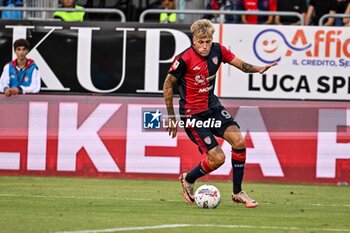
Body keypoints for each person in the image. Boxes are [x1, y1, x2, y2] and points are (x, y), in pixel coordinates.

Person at [163, 19, 277, 208]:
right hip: (193, 115)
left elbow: (241, 65)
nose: (205, 46)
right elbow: (167, 85)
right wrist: (171, 117)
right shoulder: (183, 59)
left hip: (213, 108)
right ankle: (188, 179)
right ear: (194, 40)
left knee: (239, 141)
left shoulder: (219, 50)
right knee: (218, 158)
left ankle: (238, 192)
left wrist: (259, 69)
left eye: (208, 41)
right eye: (201, 42)